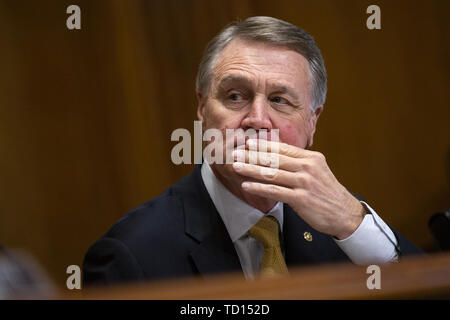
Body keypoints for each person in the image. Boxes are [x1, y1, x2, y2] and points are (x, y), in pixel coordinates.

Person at [83, 16, 422, 286]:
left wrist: (353, 222)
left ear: (312, 123)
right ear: (202, 109)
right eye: (235, 96)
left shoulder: (340, 225)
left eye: (279, 100)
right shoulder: (131, 256)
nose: (257, 120)